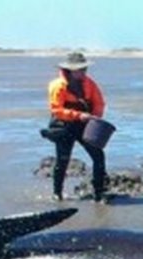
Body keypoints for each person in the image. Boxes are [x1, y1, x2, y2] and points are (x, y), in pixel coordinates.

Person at [46, 51, 107, 202]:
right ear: (70, 70)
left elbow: (99, 103)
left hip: (85, 126)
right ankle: (57, 193)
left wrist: (95, 117)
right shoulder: (58, 86)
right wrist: (78, 115)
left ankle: (99, 193)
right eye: (80, 69)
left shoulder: (90, 83)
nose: (84, 72)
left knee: (98, 156)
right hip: (63, 125)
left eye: (85, 69)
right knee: (63, 160)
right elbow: (56, 110)